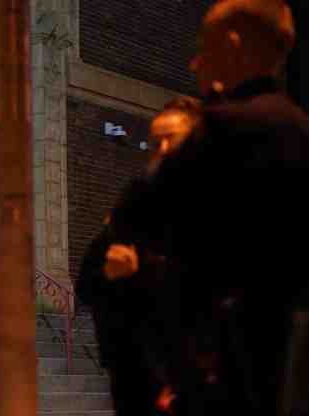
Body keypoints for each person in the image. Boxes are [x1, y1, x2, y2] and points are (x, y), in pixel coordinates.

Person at [76, 97, 203, 416]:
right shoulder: (133, 205)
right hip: (135, 374)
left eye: (172, 140)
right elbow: (87, 286)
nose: (161, 150)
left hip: (196, 375)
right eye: (155, 141)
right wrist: (110, 275)